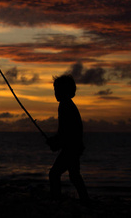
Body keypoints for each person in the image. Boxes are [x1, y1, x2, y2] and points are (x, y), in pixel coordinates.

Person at [46, 74, 89, 203]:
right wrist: (56, 142)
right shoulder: (68, 105)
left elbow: (66, 131)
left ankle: (56, 200)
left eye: (57, 90)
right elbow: (66, 131)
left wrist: (56, 143)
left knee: (54, 174)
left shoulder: (65, 106)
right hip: (74, 147)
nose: (55, 93)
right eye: (55, 90)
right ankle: (85, 200)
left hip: (71, 148)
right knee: (75, 175)